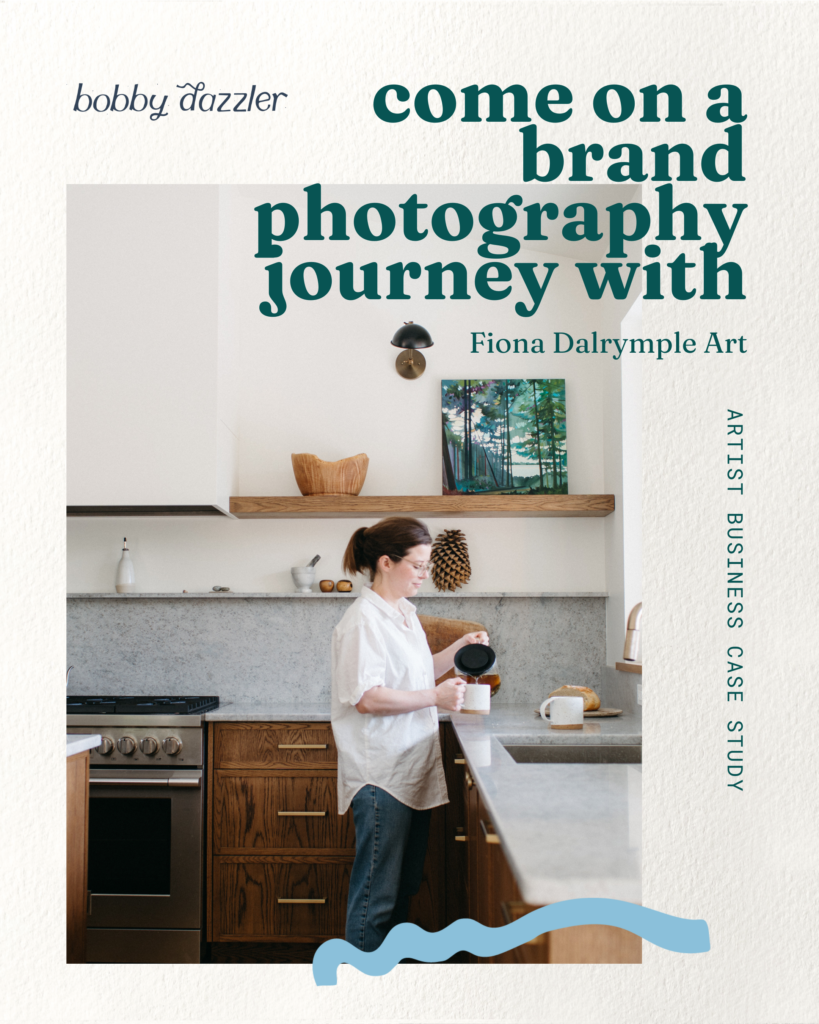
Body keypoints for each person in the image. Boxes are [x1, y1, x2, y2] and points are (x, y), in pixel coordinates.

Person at [331, 516, 489, 952]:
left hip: (408, 769)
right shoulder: (364, 620)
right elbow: (367, 698)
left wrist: (457, 650)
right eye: (418, 565)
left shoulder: (403, 614)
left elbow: (415, 674)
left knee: (401, 888)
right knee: (376, 897)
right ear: (386, 562)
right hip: (381, 774)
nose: (425, 574)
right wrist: (436, 698)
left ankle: (387, 979)